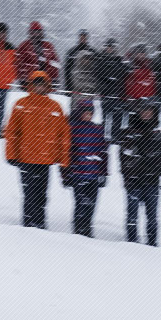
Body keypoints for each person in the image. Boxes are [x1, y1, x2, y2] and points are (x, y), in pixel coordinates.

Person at [3, 69, 69, 229]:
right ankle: (28, 225)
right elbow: (11, 131)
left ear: (47, 86)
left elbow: (63, 134)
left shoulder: (55, 106)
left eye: (42, 84)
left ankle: (40, 224)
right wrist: (11, 154)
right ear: (31, 85)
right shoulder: (21, 104)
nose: (40, 87)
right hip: (25, 158)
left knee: (42, 195)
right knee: (29, 194)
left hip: (45, 160)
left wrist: (64, 159)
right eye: (37, 84)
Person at [118, 102, 161, 246]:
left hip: (152, 180)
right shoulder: (128, 131)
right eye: (143, 111)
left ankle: (152, 243)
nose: (146, 113)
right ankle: (131, 243)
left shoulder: (157, 132)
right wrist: (126, 176)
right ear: (138, 113)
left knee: (152, 216)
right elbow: (123, 157)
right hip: (134, 180)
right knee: (132, 215)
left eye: (149, 111)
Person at [62, 99, 109, 236]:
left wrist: (104, 173)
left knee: (92, 204)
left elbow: (103, 153)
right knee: (80, 203)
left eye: (90, 113)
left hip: (93, 174)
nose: (88, 116)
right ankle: (78, 229)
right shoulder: (71, 129)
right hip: (78, 173)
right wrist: (65, 174)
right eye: (85, 113)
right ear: (79, 113)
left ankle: (87, 228)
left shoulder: (97, 129)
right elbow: (66, 153)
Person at [93, 37, 126, 137]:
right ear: (106, 47)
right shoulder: (100, 59)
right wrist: (109, 80)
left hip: (117, 93)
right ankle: (102, 138)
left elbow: (122, 75)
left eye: (113, 47)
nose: (111, 49)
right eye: (109, 46)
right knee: (103, 118)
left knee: (117, 118)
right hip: (105, 93)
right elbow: (98, 75)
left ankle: (115, 138)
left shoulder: (119, 60)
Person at [15, 20, 58, 88]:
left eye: (38, 32)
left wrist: (54, 79)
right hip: (30, 82)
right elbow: (19, 64)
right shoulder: (24, 46)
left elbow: (54, 63)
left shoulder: (48, 46)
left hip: (45, 82)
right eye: (34, 32)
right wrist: (23, 80)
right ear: (30, 33)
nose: (36, 34)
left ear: (41, 32)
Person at [122, 46, 157, 115]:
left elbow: (152, 80)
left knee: (147, 117)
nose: (142, 55)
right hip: (133, 97)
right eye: (139, 53)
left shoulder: (149, 64)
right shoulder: (128, 64)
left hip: (148, 97)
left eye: (143, 53)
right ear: (134, 54)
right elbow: (125, 82)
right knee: (134, 117)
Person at [63, 30, 96, 100]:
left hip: (89, 85)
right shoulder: (72, 52)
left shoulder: (92, 52)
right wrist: (68, 88)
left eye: (84, 36)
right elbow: (67, 71)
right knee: (75, 105)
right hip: (75, 86)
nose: (83, 38)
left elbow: (97, 69)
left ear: (87, 37)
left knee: (88, 105)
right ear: (79, 37)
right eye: (81, 36)